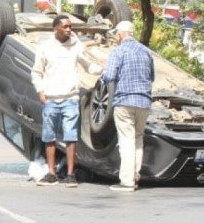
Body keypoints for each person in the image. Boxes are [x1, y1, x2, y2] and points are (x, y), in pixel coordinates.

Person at [30, 13, 100, 187]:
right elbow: (36, 72)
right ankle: (52, 174)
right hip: (51, 99)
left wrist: (102, 70)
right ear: (56, 28)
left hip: (70, 98)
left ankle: (70, 174)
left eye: (70, 27)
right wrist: (40, 91)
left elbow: (87, 64)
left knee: (71, 137)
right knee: (49, 137)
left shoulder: (76, 46)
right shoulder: (46, 47)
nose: (69, 30)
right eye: (66, 27)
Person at [101, 21, 154, 192]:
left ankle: (127, 182)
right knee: (138, 139)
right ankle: (135, 175)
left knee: (126, 141)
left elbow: (109, 76)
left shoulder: (119, 51)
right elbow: (151, 76)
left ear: (120, 34)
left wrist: (100, 73)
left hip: (124, 101)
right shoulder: (146, 51)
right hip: (144, 102)